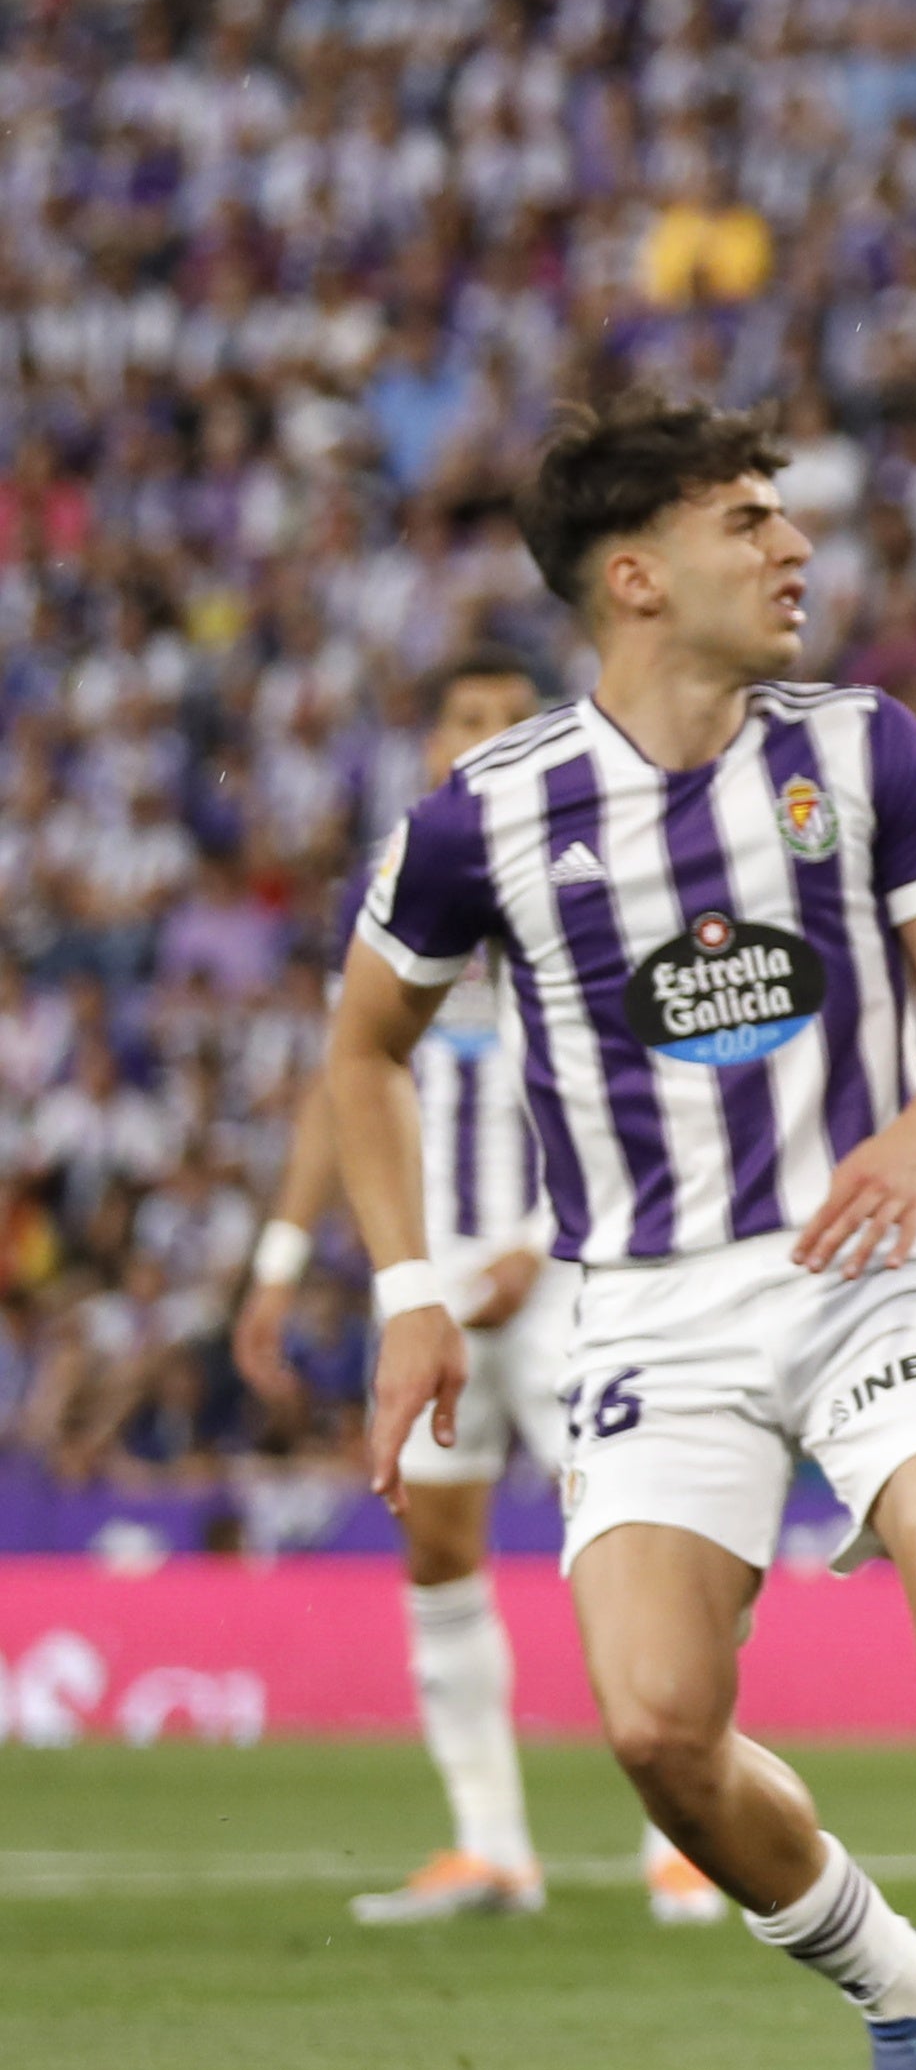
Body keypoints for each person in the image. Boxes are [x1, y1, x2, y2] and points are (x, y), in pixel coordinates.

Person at [323, 399, 916, 2070]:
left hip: (862, 1261)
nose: (794, 548)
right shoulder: (485, 813)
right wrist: (406, 1288)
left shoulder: (860, 749)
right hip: (644, 1310)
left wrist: (915, 1138)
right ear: (637, 578)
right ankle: (902, 1978)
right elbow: (364, 1047)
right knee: (654, 1725)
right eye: (749, 522)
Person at [243, 649, 717, 1931]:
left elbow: (660, 1079)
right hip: (434, 1285)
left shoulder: (607, 872)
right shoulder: (408, 883)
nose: (492, 737)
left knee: (632, 1541)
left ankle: (687, 1840)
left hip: (570, 1278)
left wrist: (538, 1239)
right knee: (440, 1549)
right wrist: (280, 1263)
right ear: (433, 739)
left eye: (517, 718)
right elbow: (338, 1086)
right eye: (469, 719)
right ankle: (492, 1847)